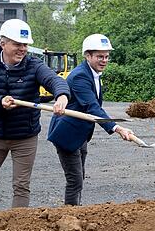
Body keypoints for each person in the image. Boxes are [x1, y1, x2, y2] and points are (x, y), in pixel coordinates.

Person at [0, 19, 70, 219]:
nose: (23, 49)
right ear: (2, 43)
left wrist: (62, 96)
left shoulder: (34, 65)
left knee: (21, 186)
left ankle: (16, 228)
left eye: (25, 45)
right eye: (17, 44)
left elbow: (54, 80)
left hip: (25, 136)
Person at [47, 34, 134, 205]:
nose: (104, 60)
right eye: (100, 56)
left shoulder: (93, 73)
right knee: (75, 180)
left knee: (79, 177)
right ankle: (70, 217)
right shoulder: (80, 76)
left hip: (80, 134)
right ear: (87, 55)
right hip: (67, 135)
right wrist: (117, 128)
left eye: (107, 56)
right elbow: (93, 107)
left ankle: (76, 211)